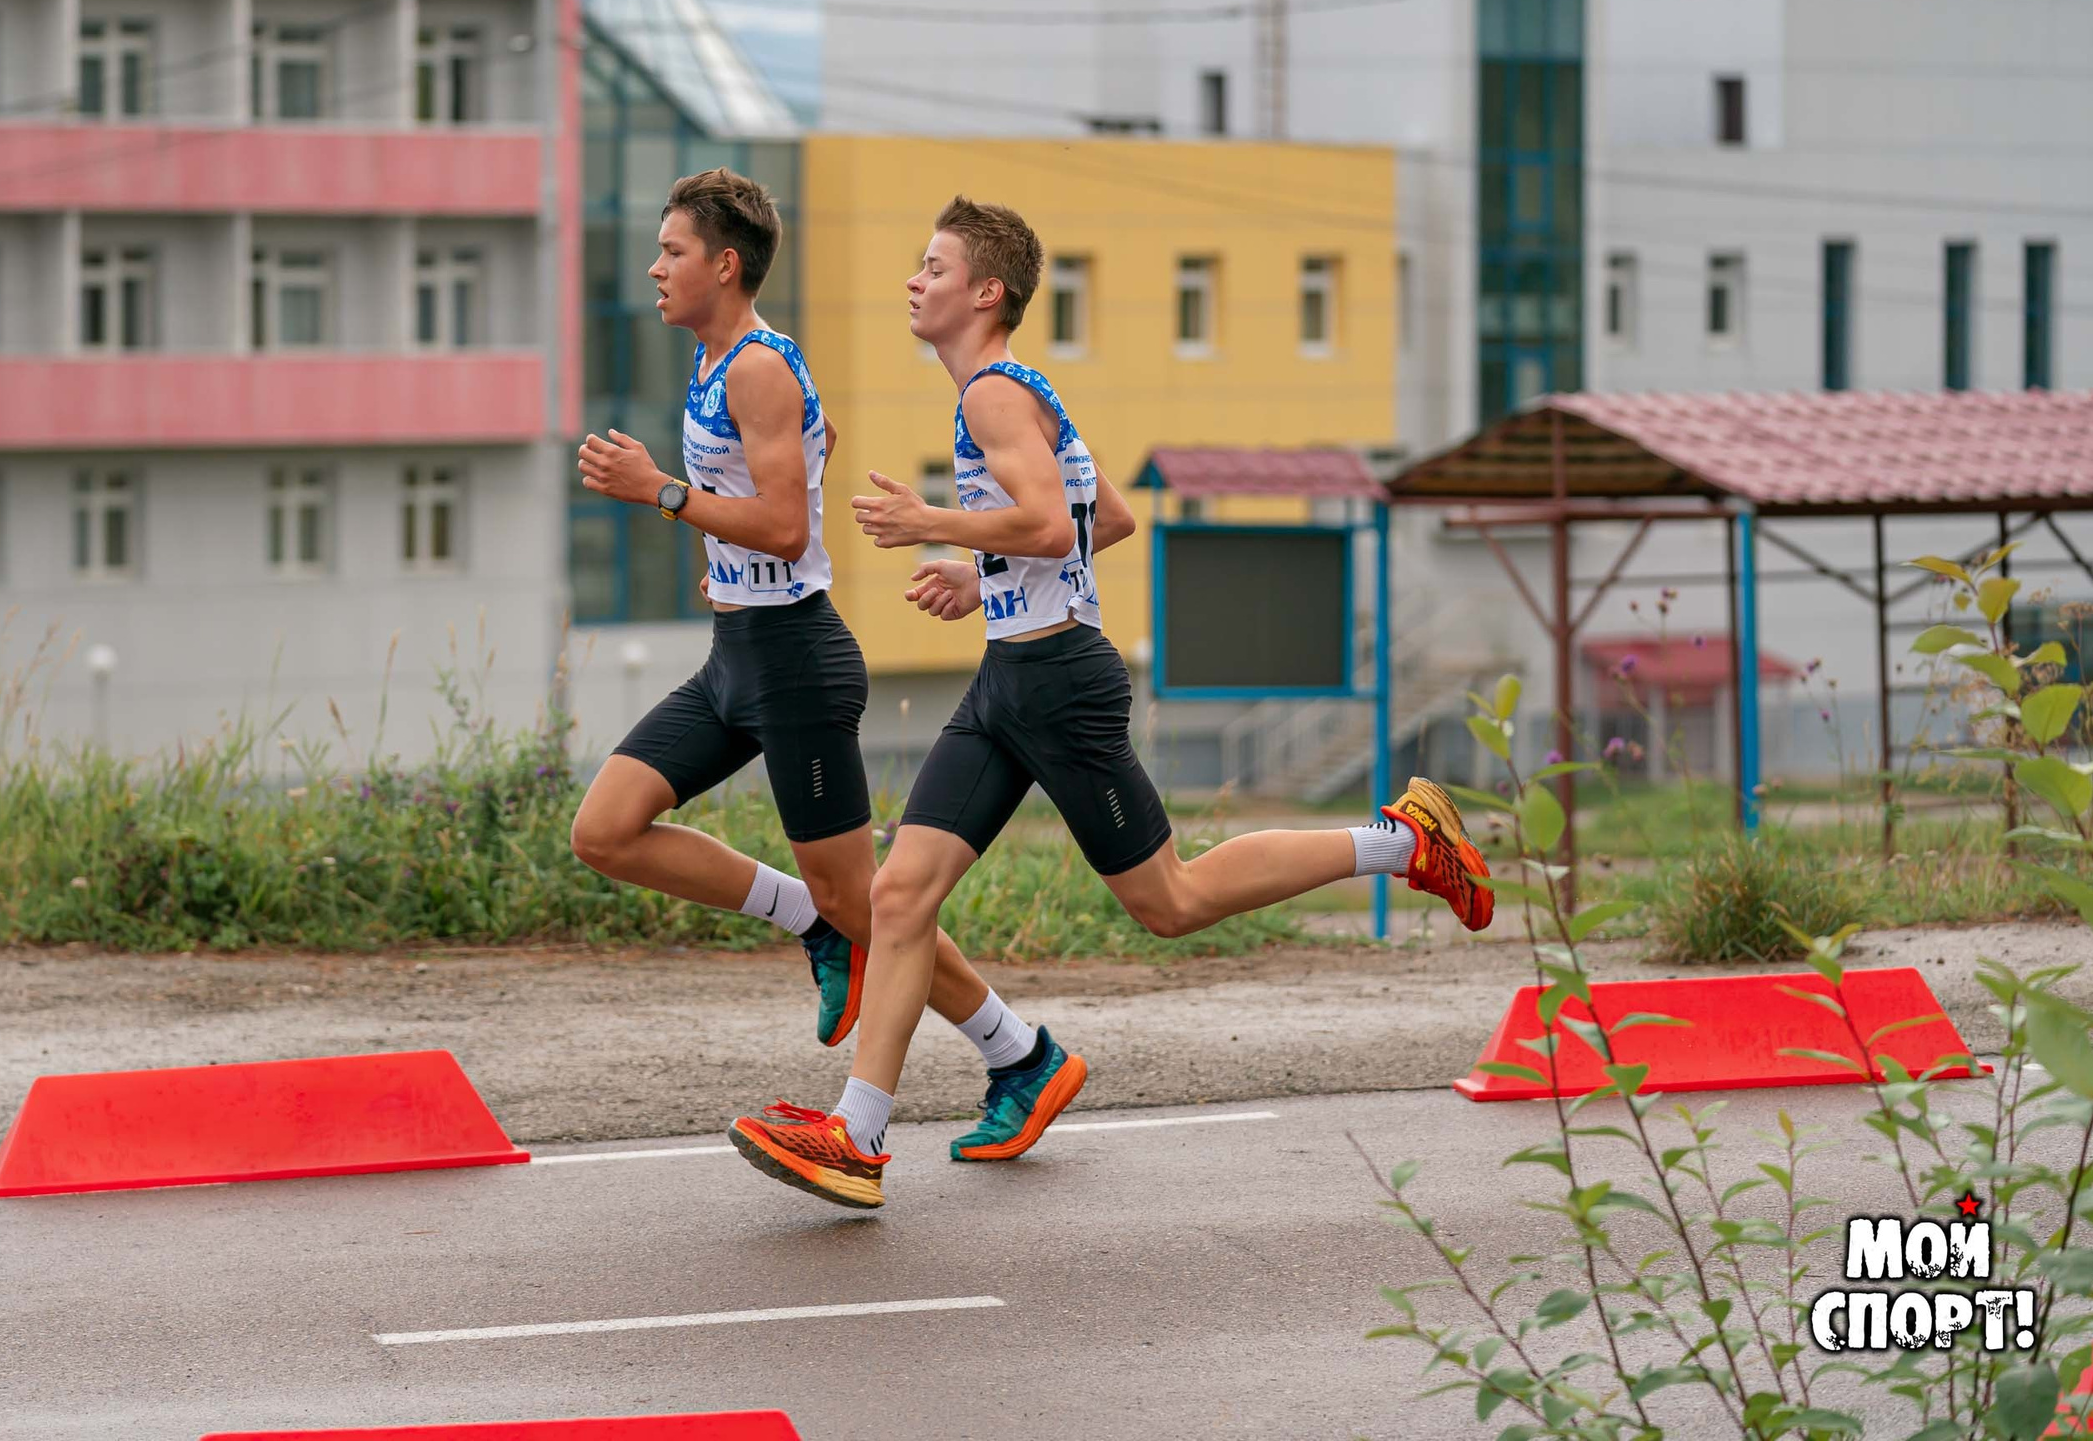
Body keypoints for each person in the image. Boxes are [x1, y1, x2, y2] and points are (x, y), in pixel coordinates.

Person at [727, 194, 1494, 1211]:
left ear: (986, 292)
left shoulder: (994, 395)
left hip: (1056, 686)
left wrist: (932, 526)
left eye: (934, 267)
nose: (914, 282)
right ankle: (856, 1138)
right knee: (899, 898)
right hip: (1009, 676)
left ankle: (1403, 841)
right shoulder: (1021, 392)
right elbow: (1110, 518)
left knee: (1168, 901)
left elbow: (1050, 522)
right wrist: (981, 575)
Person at [570, 170, 1057, 1129]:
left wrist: (659, 490)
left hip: (796, 665)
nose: (655, 269)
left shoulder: (754, 363)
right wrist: (728, 548)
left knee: (871, 902)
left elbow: (788, 526)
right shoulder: (726, 362)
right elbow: (799, 456)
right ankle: (811, 925)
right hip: (736, 655)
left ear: (724, 263)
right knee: (606, 830)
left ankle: (1020, 1052)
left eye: (672, 252)